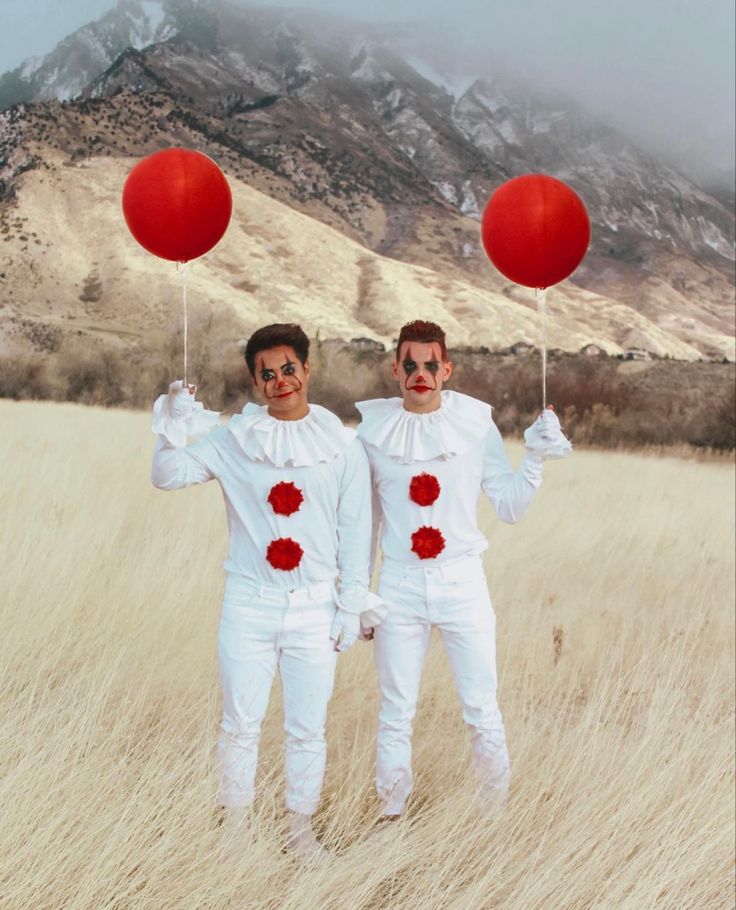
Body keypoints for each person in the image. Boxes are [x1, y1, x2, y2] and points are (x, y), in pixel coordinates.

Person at [150, 323, 373, 859]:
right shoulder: (234, 440)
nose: (280, 382)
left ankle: (300, 832)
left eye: (288, 370)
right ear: (255, 381)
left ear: (306, 370)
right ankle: (234, 836)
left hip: (315, 608)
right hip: (249, 603)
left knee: (306, 729)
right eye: (266, 374)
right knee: (240, 724)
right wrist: (173, 425)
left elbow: (357, 533)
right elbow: (166, 475)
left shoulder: (343, 446)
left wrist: (351, 606)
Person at [356, 319, 571, 820]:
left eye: (431, 364)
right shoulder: (371, 433)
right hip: (398, 585)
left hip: (463, 581)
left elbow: (511, 507)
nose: (420, 374)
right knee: (395, 713)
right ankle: (392, 816)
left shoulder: (475, 426)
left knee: (481, 708)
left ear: (446, 368)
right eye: (409, 364)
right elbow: (364, 523)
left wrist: (535, 457)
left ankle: (492, 819)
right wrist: (359, 594)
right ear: (395, 370)